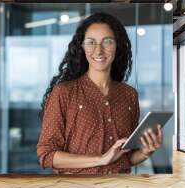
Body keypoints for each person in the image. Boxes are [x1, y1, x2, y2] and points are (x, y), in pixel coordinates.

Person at [36, 12, 162, 174]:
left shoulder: (129, 95)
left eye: (107, 42)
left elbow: (126, 159)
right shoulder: (63, 93)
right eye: (91, 43)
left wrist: (145, 152)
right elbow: (46, 156)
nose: (98, 50)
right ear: (81, 47)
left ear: (118, 45)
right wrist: (101, 159)